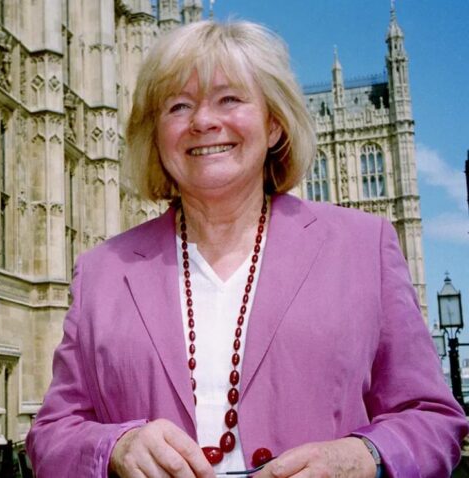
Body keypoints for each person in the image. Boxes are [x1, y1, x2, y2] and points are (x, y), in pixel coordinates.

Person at [25, 19, 468, 478]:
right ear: (156, 136)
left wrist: (364, 457)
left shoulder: (363, 246)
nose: (202, 121)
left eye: (229, 99)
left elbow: (433, 419)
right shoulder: (103, 270)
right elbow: (51, 435)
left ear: (274, 124)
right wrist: (116, 447)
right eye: (178, 106)